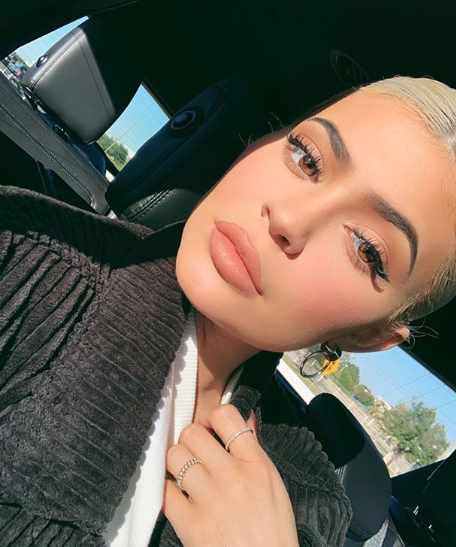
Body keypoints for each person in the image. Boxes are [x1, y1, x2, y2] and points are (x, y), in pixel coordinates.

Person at [0, 75, 455, 547]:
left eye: (367, 249)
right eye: (308, 158)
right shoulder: (21, 261)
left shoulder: (310, 505)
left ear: (368, 336)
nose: (289, 217)